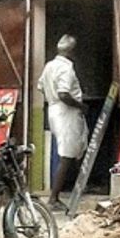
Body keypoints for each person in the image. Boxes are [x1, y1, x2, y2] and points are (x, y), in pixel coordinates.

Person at [37, 34, 89, 210]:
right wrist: (80, 105)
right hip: (66, 112)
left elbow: (40, 86)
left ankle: (78, 185)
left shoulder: (49, 65)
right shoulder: (66, 69)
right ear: (72, 52)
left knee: (73, 150)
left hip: (53, 109)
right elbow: (64, 94)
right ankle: (53, 198)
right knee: (67, 155)